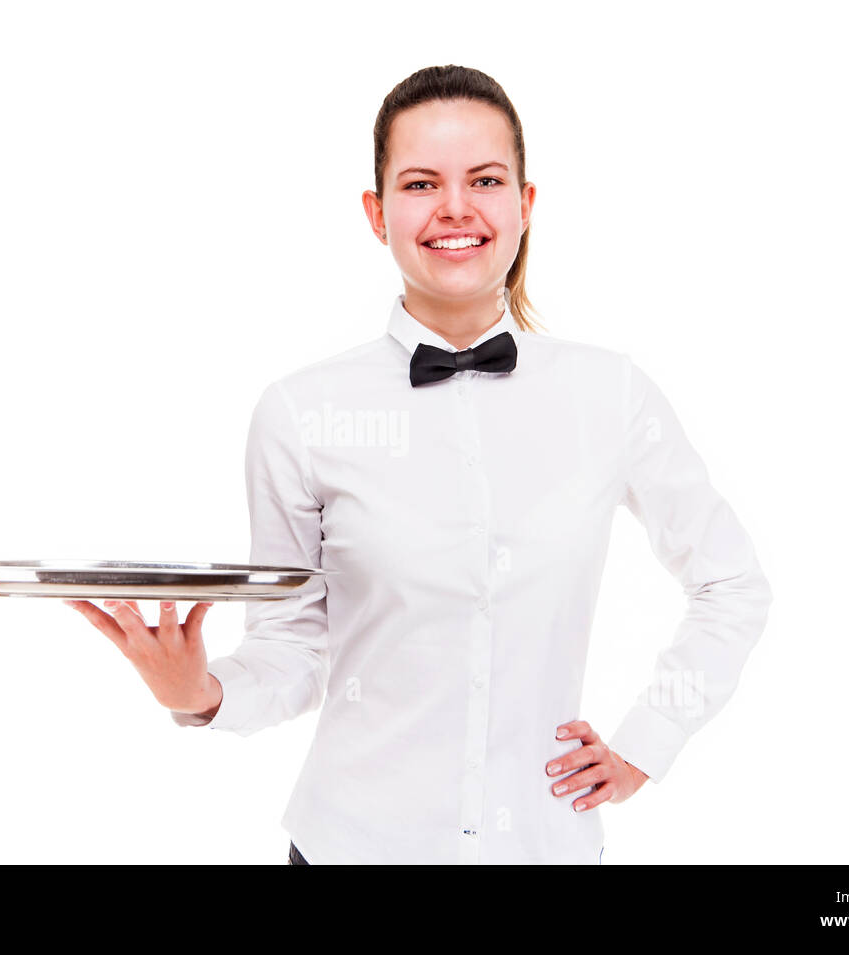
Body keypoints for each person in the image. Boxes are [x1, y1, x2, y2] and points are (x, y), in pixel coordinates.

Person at [67, 64, 772, 865]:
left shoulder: (612, 394)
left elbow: (732, 584)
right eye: (419, 183)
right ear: (376, 213)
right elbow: (293, 650)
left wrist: (652, 738)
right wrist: (199, 694)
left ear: (525, 204)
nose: (455, 209)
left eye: (485, 179)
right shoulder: (300, 413)